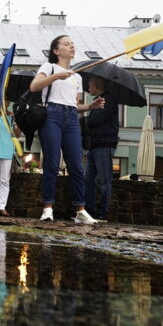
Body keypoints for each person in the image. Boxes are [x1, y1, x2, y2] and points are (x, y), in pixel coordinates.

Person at [29, 35, 103, 224]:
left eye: (72, 44)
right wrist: (55, 76)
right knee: (52, 163)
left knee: (77, 165)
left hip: (71, 118)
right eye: (66, 44)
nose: (71, 46)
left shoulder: (77, 76)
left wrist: (90, 107)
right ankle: (47, 208)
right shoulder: (49, 68)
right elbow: (34, 86)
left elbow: (74, 105)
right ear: (56, 50)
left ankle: (80, 210)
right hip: (51, 115)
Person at [84, 76, 118, 221]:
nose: (88, 88)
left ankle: (103, 212)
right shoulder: (100, 101)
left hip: (104, 145)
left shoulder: (107, 100)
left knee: (104, 180)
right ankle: (89, 211)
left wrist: (83, 120)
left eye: (90, 85)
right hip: (95, 145)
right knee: (88, 180)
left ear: (97, 86)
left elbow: (94, 120)